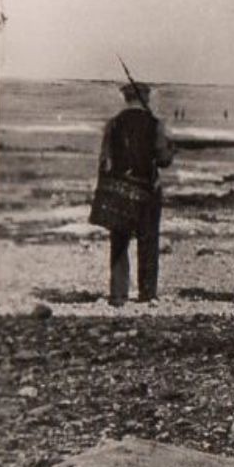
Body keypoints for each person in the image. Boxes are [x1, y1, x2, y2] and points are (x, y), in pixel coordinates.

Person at [97, 82, 175, 306]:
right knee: (148, 240)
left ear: (125, 98)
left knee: (119, 241)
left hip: (119, 191)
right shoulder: (155, 124)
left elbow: (104, 161)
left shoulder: (112, 124)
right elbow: (163, 160)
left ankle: (118, 294)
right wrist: (170, 147)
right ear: (146, 99)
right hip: (147, 190)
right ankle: (147, 293)